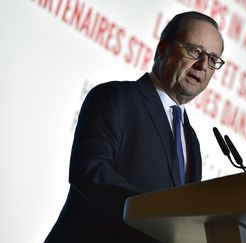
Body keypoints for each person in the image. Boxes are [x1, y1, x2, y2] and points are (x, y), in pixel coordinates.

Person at [45, 11, 225, 243]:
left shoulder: (190, 139)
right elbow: (89, 171)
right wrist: (153, 214)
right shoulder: (115, 97)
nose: (202, 65)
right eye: (195, 51)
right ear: (162, 50)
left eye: (212, 59)